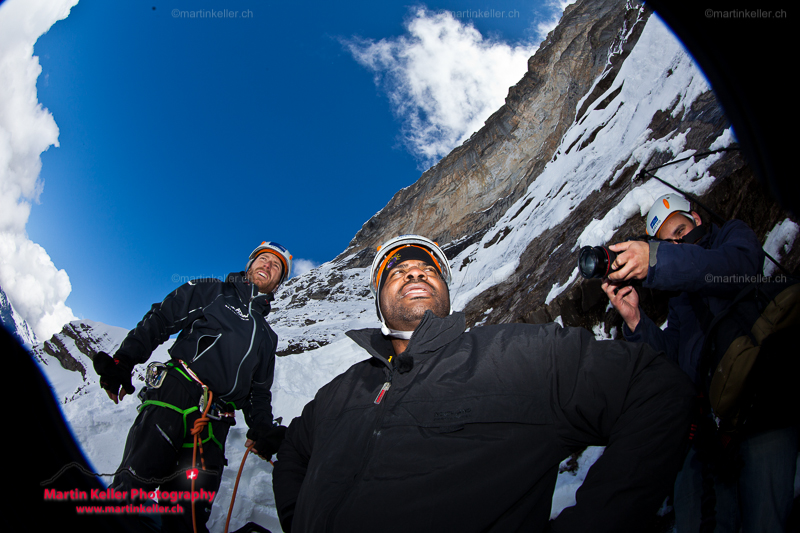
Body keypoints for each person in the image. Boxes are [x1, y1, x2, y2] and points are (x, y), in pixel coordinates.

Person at [272, 234, 694, 532]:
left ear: (447, 293)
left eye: (427, 270)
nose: (415, 274)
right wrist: (300, 519)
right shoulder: (341, 391)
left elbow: (653, 383)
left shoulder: (514, 356)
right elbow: (294, 450)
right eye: (397, 272)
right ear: (379, 301)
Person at [601, 193, 798, 532]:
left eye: (680, 230)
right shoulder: (679, 300)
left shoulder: (730, 238)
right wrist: (635, 320)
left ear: (697, 219)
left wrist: (661, 261)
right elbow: (673, 365)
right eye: (668, 242)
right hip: (710, 427)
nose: (678, 242)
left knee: (765, 521)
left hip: (762, 402)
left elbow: (738, 266)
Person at [94, 241, 293, 533]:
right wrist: (124, 360)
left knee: (190, 515)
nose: (267, 265)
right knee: (133, 486)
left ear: (278, 283)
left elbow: (258, 391)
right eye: (263, 259)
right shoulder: (212, 291)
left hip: (216, 420)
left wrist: (261, 427)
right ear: (249, 265)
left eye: (276, 266)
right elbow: (162, 318)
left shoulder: (267, 336)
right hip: (175, 392)